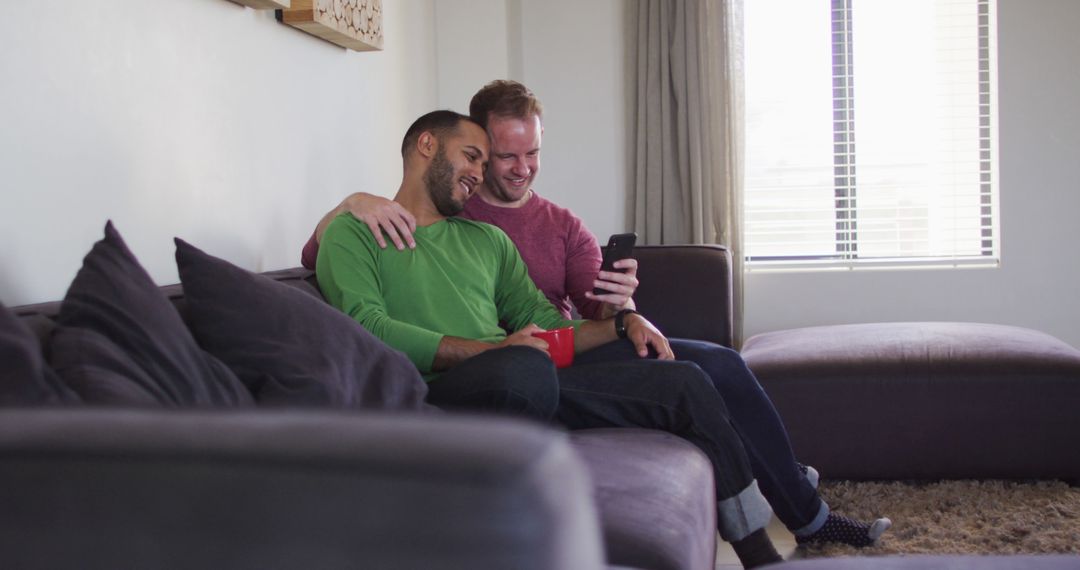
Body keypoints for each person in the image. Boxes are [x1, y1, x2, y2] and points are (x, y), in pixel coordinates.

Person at [303, 81, 891, 549]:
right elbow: (343, 287)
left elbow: (580, 305)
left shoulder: (538, 228)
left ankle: (800, 510)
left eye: (529, 153)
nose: (510, 168)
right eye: (495, 154)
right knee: (532, 371)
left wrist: (622, 310)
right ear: (447, 145)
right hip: (505, 368)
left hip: (554, 348)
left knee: (712, 366)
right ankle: (786, 488)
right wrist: (349, 203)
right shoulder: (402, 215)